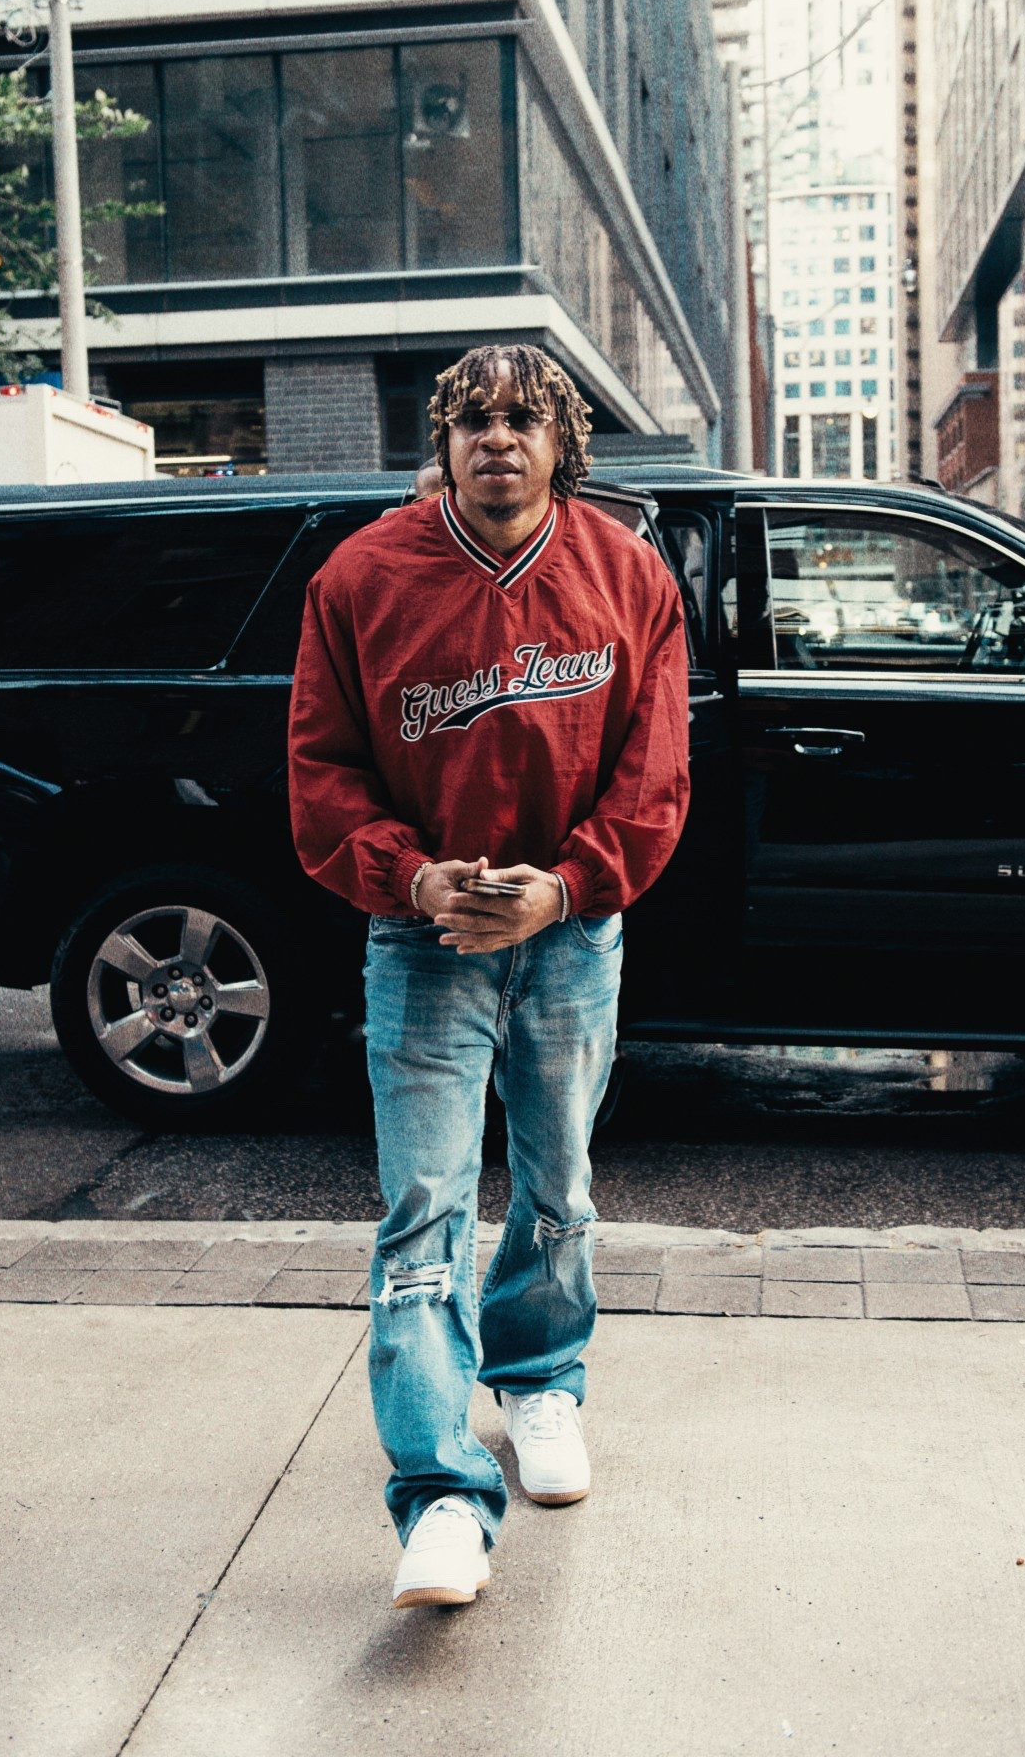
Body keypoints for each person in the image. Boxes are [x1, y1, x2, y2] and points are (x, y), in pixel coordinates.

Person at [288, 343, 690, 1609]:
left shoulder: (628, 573)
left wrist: (565, 886)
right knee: (423, 1213)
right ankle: (444, 1495)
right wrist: (411, 878)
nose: (497, 438)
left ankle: (540, 1379)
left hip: (569, 933)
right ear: (445, 442)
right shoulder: (361, 577)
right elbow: (320, 768)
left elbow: (655, 768)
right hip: (424, 942)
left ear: (563, 442)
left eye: (523, 418)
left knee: (558, 1182)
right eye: (473, 420)